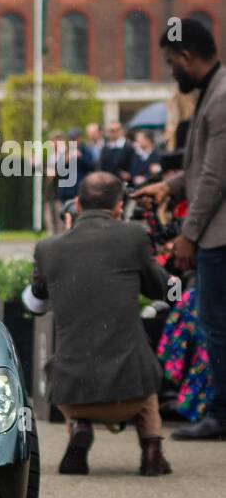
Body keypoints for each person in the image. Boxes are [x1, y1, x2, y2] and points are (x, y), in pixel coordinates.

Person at [29, 172, 173, 475]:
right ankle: (151, 449)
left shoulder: (47, 248)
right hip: (130, 392)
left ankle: (79, 428)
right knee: (143, 363)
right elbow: (163, 290)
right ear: (119, 206)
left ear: (77, 204)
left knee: (65, 359)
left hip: (72, 393)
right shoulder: (133, 235)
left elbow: (34, 303)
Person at [134, 16, 226, 441]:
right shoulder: (213, 92)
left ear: (187, 56)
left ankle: (221, 416)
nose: (171, 72)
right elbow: (198, 169)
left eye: (172, 62)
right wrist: (166, 186)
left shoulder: (221, 96)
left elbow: (214, 177)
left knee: (215, 324)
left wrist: (188, 234)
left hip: (218, 237)